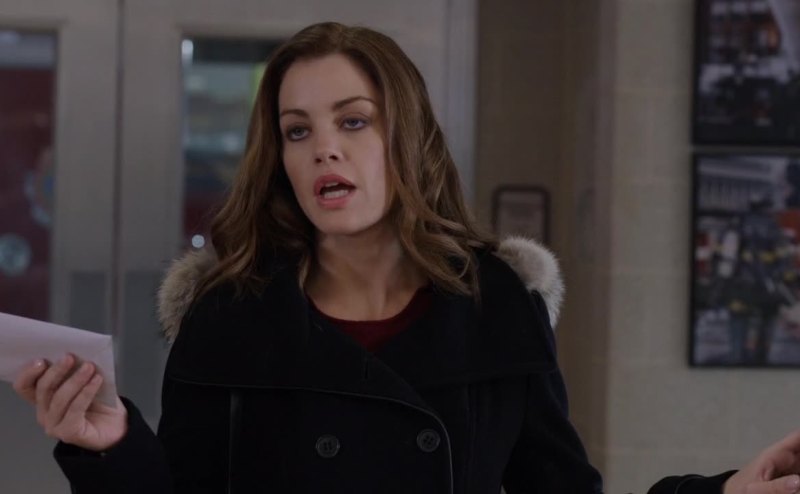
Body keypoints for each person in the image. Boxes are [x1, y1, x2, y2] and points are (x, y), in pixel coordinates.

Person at [10, 22, 800, 494]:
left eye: (353, 121)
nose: (324, 148)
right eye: (297, 130)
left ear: (408, 137)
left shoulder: (498, 302)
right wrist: (111, 444)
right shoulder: (229, 313)